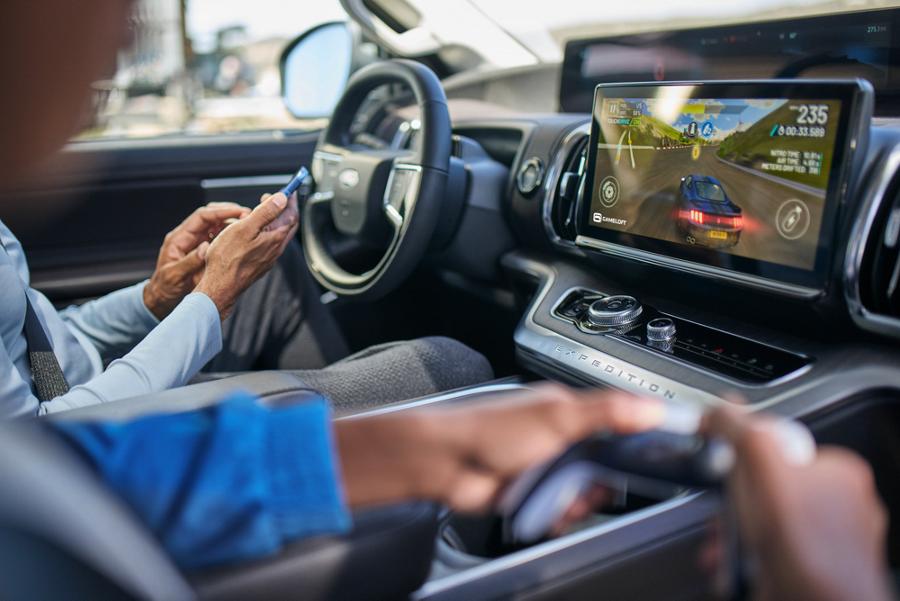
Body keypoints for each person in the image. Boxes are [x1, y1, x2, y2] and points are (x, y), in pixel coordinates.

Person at [1, 2, 894, 598]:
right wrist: (830, 578)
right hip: (93, 413)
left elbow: (33, 451)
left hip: (87, 389)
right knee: (467, 368)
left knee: (474, 398)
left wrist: (163, 297)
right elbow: (45, 456)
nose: (124, 28)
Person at [0, 2, 492, 418]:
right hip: (98, 452)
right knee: (455, 369)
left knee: (273, 274)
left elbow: (41, 337)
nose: (125, 38)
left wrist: (154, 298)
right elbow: (45, 440)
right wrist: (212, 296)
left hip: (75, 384)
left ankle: (335, 441)